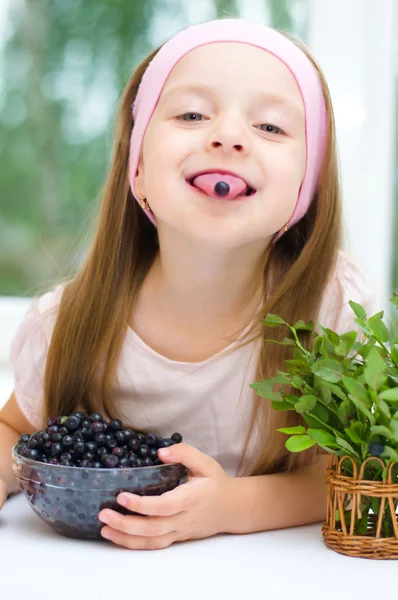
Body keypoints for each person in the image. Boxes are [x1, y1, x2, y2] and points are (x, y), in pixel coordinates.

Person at [0, 17, 376, 549]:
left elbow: (358, 471)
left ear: (306, 188)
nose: (227, 136)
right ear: (138, 169)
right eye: (192, 114)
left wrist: (232, 507)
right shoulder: (65, 325)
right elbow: (13, 431)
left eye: (270, 126)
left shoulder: (330, 310)